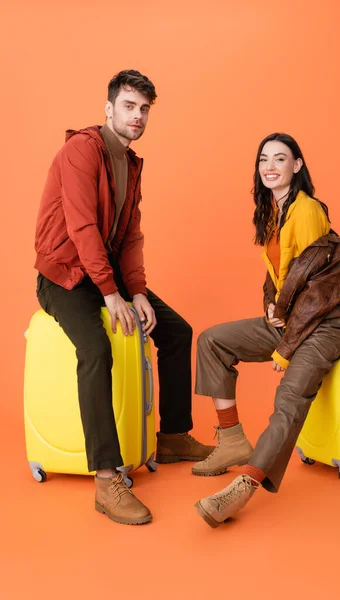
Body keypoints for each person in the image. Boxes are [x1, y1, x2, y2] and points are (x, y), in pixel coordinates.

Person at [34, 69, 213, 526]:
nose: (137, 116)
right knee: (95, 350)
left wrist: (136, 292)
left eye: (144, 109)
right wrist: (112, 294)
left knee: (175, 331)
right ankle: (107, 480)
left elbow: (130, 235)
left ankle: (172, 435)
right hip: (64, 276)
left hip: (105, 274)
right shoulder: (80, 151)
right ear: (109, 108)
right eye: (129, 106)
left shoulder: (131, 163)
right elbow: (81, 227)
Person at [192, 133, 340, 528]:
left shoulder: (307, 210)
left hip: (322, 326)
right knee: (212, 341)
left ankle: (242, 489)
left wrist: (284, 348)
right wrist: (272, 303)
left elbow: (319, 290)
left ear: (297, 166)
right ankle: (232, 440)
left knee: (288, 399)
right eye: (264, 159)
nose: (270, 166)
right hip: (291, 321)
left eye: (280, 159)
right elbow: (284, 275)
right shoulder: (274, 211)